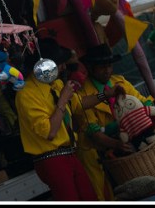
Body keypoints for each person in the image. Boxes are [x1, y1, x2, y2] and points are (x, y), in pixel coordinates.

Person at [14, 38, 118, 201]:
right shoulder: (26, 94)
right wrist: (62, 100)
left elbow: (79, 104)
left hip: (70, 153)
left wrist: (106, 94)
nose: (63, 67)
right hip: (51, 159)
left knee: (90, 197)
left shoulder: (55, 85)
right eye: (59, 63)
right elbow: (50, 131)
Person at [75, 43, 155, 201]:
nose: (108, 70)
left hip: (127, 146)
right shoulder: (83, 93)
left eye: (110, 65)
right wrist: (117, 144)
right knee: (106, 195)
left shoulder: (120, 81)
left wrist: (146, 108)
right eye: (102, 67)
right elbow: (93, 133)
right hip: (98, 153)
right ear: (91, 68)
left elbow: (144, 102)